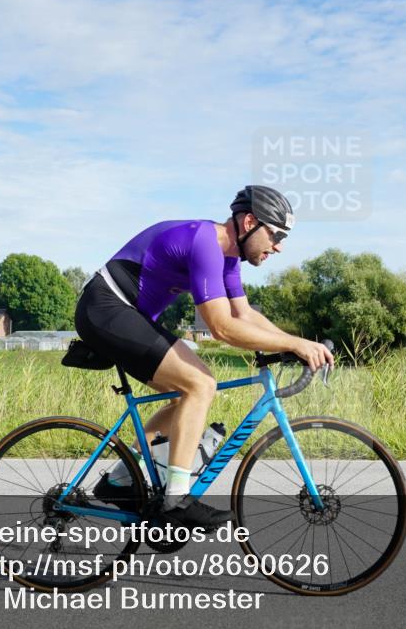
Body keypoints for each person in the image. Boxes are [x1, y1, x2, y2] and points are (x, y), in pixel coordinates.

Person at [74, 185, 335, 529]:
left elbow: (244, 316)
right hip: (106, 308)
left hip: (125, 314)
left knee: (189, 390)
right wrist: (295, 345)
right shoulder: (205, 244)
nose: (279, 245)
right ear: (250, 222)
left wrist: (293, 343)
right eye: (276, 233)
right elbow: (222, 328)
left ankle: (119, 482)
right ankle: (176, 501)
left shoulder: (227, 258)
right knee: (200, 383)